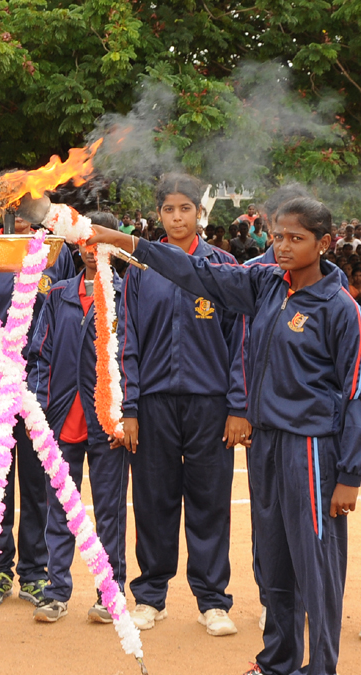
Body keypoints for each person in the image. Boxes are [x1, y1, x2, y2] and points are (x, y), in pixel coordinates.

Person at [90, 194, 361, 675]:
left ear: (323, 243)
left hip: (312, 449)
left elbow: (359, 393)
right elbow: (194, 272)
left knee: (316, 565)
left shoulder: (340, 309)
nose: (283, 247)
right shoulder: (265, 284)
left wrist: (349, 475)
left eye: (296, 238)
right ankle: (280, 660)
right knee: (275, 559)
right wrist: (127, 243)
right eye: (277, 236)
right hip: (266, 443)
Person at [121, 175, 244, 636]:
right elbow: (127, 340)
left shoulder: (225, 266)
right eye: (169, 209)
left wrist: (238, 405)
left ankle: (212, 600)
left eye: (185, 209)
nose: (177, 217)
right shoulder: (139, 268)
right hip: (153, 403)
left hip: (210, 403)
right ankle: (151, 595)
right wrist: (129, 407)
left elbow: (240, 342)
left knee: (210, 500)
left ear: (199, 213)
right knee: (153, 499)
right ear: (159, 215)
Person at [0, 213, 79, 608]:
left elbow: (63, 309)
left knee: (37, 481)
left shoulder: (55, 251)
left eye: (28, 205)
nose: (21, 213)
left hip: (39, 379)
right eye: (13, 206)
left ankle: (34, 571)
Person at [29, 211, 131, 624]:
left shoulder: (127, 295)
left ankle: (111, 591)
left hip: (106, 423)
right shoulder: (57, 296)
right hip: (61, 418)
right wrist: (39, 407)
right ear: (75, 245)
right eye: (86, 243)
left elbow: (130, 361)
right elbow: (40, 354)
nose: (93, 252)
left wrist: (125, 416)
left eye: (101, 243)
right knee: (61, 507)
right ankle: (55, 591)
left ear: (115, 246)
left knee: (109, 510)